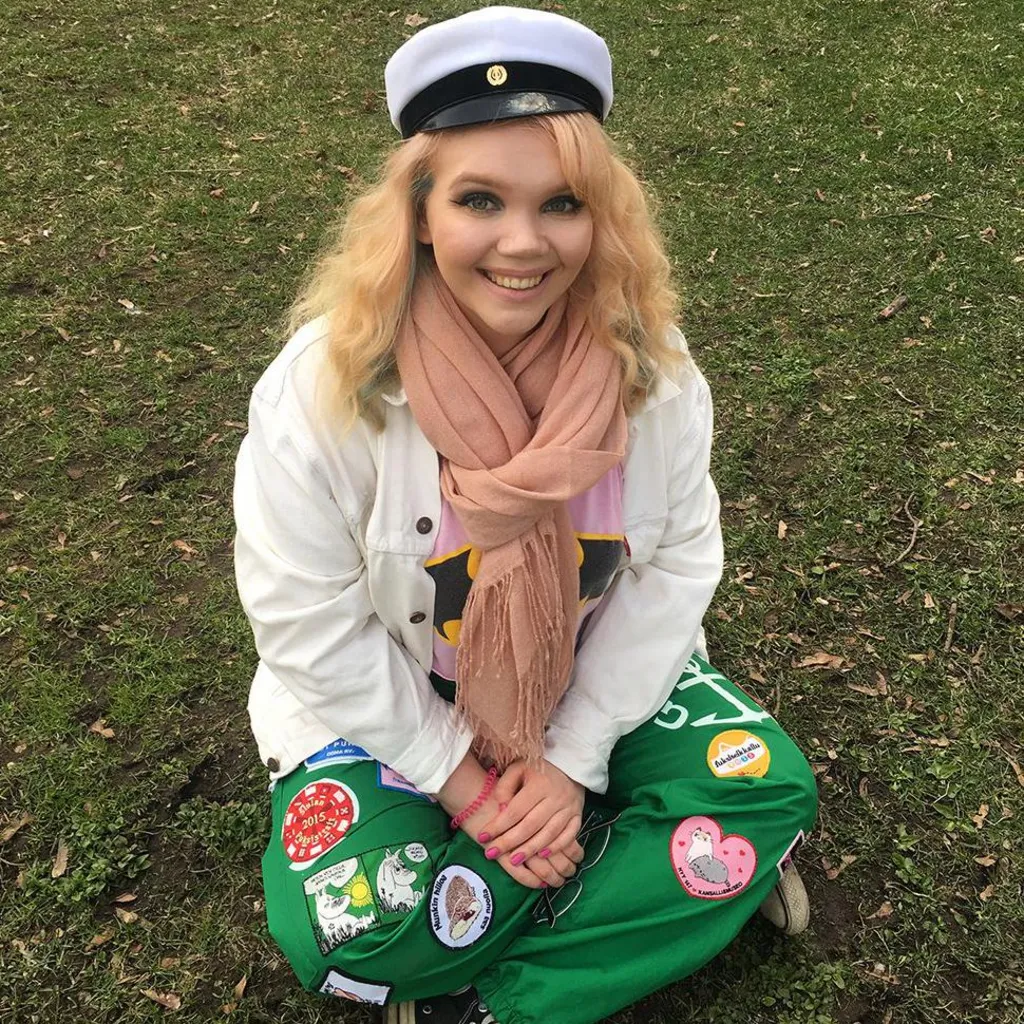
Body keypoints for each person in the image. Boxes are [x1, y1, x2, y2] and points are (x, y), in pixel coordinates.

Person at [232, 7, 818, 1024]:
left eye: (560, 204)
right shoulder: (321, 389)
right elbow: (302, 621)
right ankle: (641, 871)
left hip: (589, 684)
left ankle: (485, 998)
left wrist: (569, 759)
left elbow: (674, 570)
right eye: (478, 200)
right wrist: (464, 781)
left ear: (600, 219)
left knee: (764, 789)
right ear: (418, 212)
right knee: (338, 930)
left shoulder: (655, 376)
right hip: (390, 710)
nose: (522, 242)